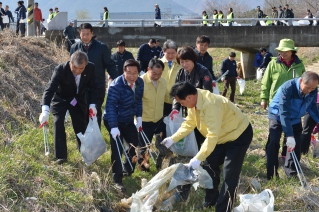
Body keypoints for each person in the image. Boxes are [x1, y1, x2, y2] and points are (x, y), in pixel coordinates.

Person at [162, 81, 253, 211]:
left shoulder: (211, 104)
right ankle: (211, 200)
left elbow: (211, 136)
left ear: (188, 97)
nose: (182, 105)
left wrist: (198, 157)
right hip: (219, 136)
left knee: (230, 174)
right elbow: (190, 123)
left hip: (237, 135)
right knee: (209, 166)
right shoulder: (194, 102)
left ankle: (224, 209)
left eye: (182, 103)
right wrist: (172, 139)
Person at [39, 51, 98, 165]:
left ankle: (85, 152)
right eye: (74, 67)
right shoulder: (61, 69)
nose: (77, 71)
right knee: (58, 122)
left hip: (78, 99)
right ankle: (61, 156)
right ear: (70, 63)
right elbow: (50, 89)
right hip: (61, 98)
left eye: (81, 68)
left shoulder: (90, 68)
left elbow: (93, 88)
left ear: (85, 65)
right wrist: (45, 110)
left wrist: (92, 105)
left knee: (80, 124)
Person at [267, 72, 319, 180]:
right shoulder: (288, 88)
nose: (309, 91)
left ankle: (291, 173)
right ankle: (271, 174)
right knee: (274, 141)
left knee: (295, 145)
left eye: (313, 88)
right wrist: (289, 135)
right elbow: (284, 112)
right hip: (277, 115)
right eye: (308, 87)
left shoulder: (313, 90)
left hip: (295, 118)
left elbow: (312, 107)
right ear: (301, 81)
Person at [103, 59, 144, 192]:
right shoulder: (116, 86)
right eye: (129, 73)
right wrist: (114, 126)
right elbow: (110, 107)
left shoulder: (139, 82)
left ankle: (128, 168)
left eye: (135, 73)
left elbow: (138, 101)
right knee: (117, 148)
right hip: (113, 119)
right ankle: (117, 179)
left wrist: (139, 118)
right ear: (123, 72)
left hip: (127, 119)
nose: (132, 76)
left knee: (133, 143)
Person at [260, 39, 306, 157]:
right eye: (280, 51)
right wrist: (264, 98)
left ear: (292, 51)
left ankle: (286, 154)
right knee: (274, 130)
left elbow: (304, 83)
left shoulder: (299, 65)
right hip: (276, 103)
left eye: (285, 51)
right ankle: (270, 154)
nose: (282, 53)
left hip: (293, 104)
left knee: (290, 130)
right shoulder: (273, 63)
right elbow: (266, 82)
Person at [70, 23, 116, 128]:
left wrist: (118, 81)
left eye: (88, 34)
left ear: (92, 34)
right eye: (83, 34)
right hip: (80, 87)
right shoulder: (74, 48)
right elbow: (71, 68)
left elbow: (110, 65)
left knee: (95, 112)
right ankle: (83, 141)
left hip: (97, 86)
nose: (85, 37)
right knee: (81, 113)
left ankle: (95, 140)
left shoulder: (102, 48)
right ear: (79, 34)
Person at [171, 46, 212, 148]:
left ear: (193, 59)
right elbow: (177, 93)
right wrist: (175, 108)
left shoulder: (203, 71)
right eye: (182, 62)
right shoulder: (180, 73)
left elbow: (207, 93)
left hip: (202, 108)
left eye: (186, 61)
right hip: (188, 108)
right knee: (192, 131)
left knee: (204, 131)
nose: (184, 64)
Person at [138, 59, 167, 171]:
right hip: (145, 119)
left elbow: (166, 98)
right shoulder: (140, 82)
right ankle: (143, 167)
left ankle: (161, 165)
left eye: (160, 73)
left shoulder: (163, 82)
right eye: (154, 73)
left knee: (163, 143)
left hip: (159, 119)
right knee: (144, 146)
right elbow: (136, 102)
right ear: (148, 69)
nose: (157, 76)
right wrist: (137, 119)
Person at [160, 39, 182, 116]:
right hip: (161, 99)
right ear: (163, 51)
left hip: (177, 99)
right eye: (168, 53)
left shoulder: (180, 64)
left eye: (173, 53)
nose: (170, 56)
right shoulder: (158, 64)